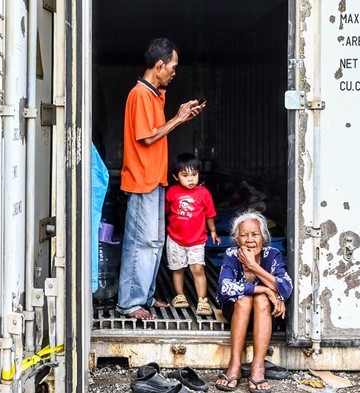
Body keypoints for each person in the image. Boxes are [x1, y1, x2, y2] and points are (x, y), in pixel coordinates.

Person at [117, 37, 206, 320]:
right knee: (142, 244)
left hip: (155, 179)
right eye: (173, 66)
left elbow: (156, 129)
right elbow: (146, 138)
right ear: (159, 65)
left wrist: (182, 115)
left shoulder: (152, 94)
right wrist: (178, 119)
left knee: (154, 243)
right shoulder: (140, 95)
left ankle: (145, 296)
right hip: (142, 180)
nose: (174, 72)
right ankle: (130, 303)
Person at [214, 211, 293, 392]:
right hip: (236, 312)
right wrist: (266, 289)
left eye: (255, 234)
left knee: (262, 301)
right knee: (245, 300)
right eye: (244, 235)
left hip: (266, 315)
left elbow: (286, 287)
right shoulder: (231, 254)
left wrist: (253, 267)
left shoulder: (272, 255)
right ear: (236, 240)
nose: (250, 239)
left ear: (263, 238)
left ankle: (258, 367)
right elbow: (224, 289)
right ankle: (235, 365)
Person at [165, 153, 220, 316]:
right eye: (185, 175)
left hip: (197, 240)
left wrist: (213, 232)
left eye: (194, 175)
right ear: (176, 176)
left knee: (197, 269)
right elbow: (165, 213)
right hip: (175, 239)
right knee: (178, 269)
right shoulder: (171, 192)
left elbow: (210, 214)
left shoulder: (204, 193)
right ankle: (180, 295)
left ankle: (202, 300)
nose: (191, 179)